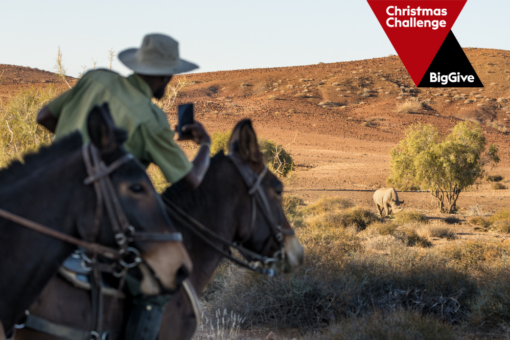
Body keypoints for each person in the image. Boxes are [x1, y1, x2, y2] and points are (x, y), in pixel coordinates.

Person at [37, 33, 210, 340]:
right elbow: (191, 180)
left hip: (44, 194)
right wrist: (206, 145)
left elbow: (45, 116)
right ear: (163, 76)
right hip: (91, 212)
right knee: (156, 283)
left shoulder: (95, 78)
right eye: (170, 76)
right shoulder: (151, 120)